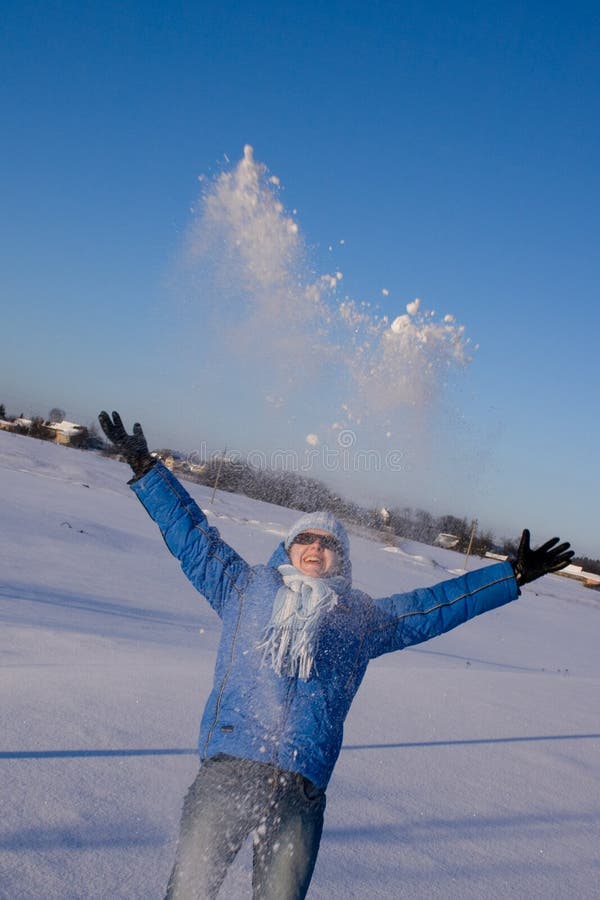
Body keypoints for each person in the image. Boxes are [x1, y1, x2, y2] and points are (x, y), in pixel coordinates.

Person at [98, 411, 574, 900]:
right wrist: (147, 469)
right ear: (288, 547)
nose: (315, 547)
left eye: (328, 543)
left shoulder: (359, 619)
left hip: (301, 789)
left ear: (340, 559)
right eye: (305, 537)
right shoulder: (246, 587)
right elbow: (193, 538)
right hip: (229, 767)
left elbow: (436, 607)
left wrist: (509, 577)